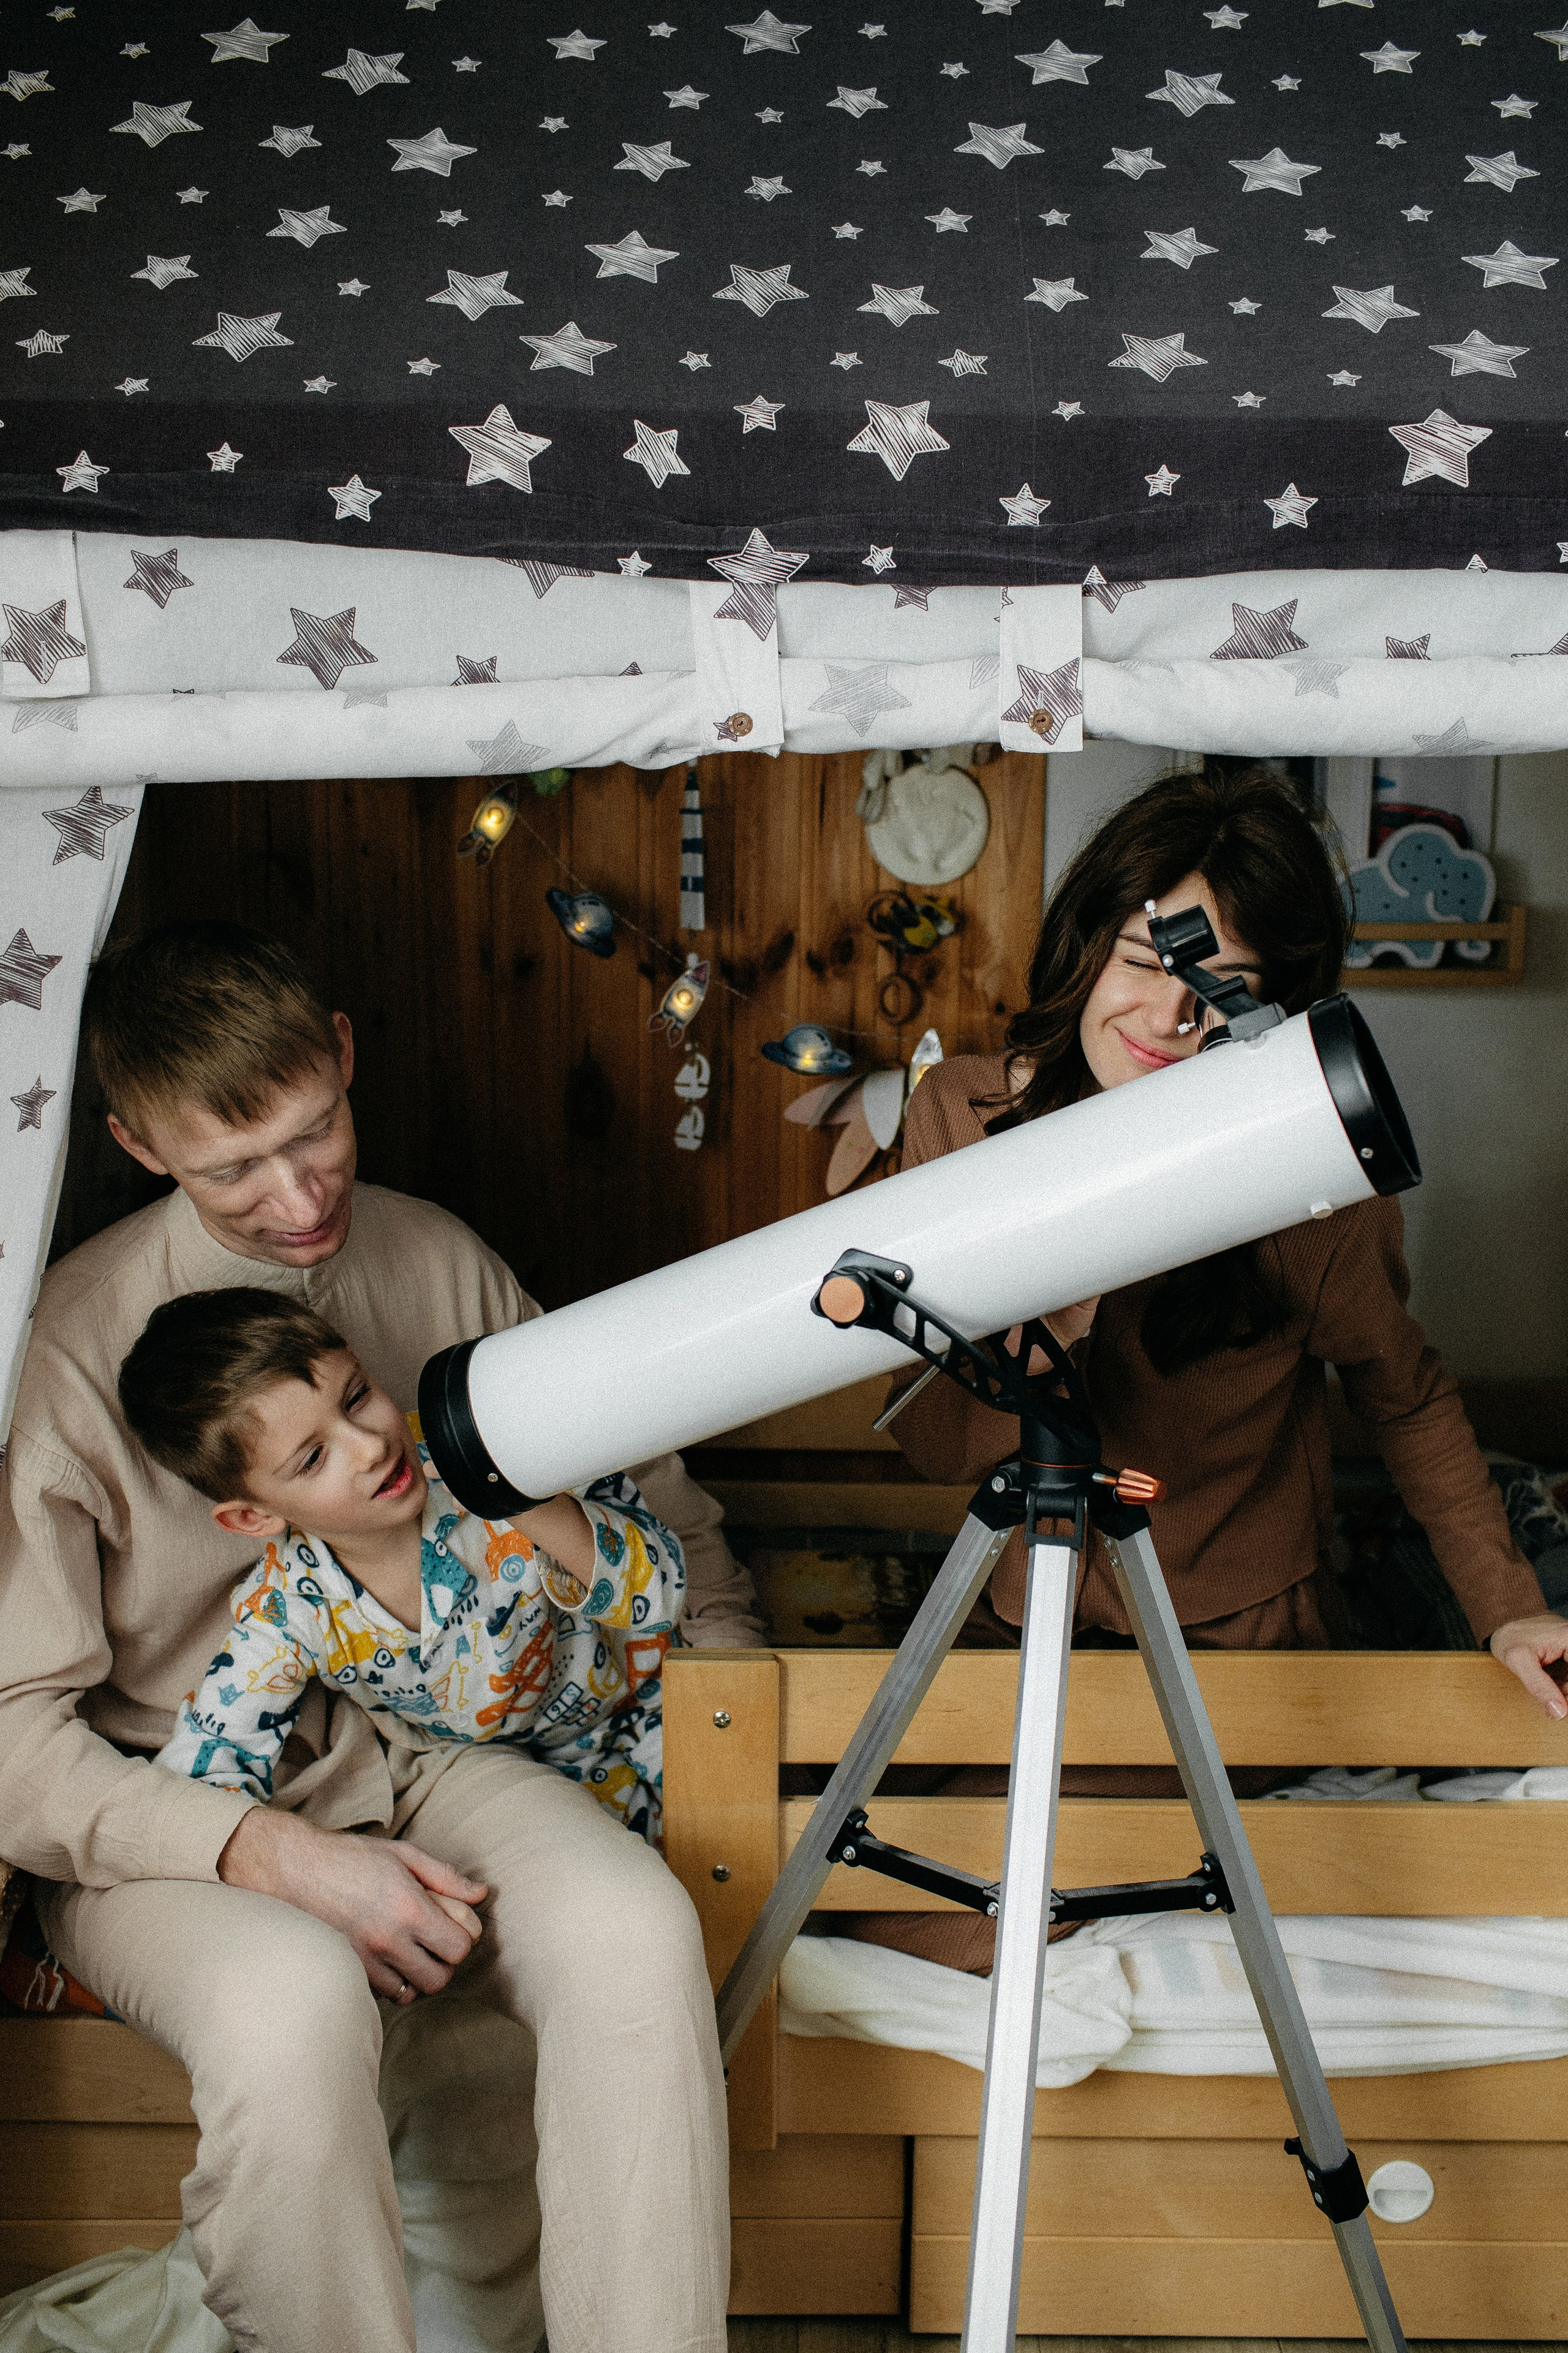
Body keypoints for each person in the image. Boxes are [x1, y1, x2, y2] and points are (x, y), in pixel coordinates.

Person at [0, 921, 741, 2353]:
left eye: (315, 1133)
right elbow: (15, 1746)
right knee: (290, 2001)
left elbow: (656, 1519)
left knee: (633, 1929)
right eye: (234, 1168)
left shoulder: (434, 1257)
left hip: (440, 1747)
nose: (296, 1197)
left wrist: (713, 1713)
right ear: (139, 1143)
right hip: (172, 1807)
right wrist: (270, 1853)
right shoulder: (71, 1348)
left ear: (343, 1055)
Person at [864, 765, 1567, 1976]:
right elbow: (929, 1436)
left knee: (931, 1910)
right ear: (1087, 943)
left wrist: (1507, 1607)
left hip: (1223, 1655)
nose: (1167, 1015)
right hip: (1017, 1617)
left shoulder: (1312, 1185)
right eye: (1145, 957)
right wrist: (1062, 1275)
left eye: (1219, 986)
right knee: (813, 1847)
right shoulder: (964, 1118)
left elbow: (1404, 1396)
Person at [122, 1289, 683, 1841]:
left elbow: (659, 1593)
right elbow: (204, 1771)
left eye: (357, 1396)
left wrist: (511, 1491)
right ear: (253, 1516)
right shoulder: (289, 1607)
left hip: (659, 1702)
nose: (371, 1446)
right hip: (523, 1785)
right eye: (313, 1458)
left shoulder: (491, 1446)